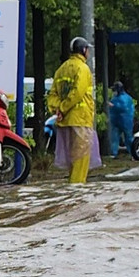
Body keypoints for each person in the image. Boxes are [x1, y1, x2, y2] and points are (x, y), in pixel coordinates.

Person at [52, 37, 98, 183]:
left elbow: (52, 94)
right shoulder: (83, 69)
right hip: (80, 119)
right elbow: (78, 93)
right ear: (83, 50)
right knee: (81, 158)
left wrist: (57, 109)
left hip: (65, 121)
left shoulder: (61, 69)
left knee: (72, 157)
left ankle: (72, 187)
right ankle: (77, 192)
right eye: (87, 50)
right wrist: (64, 108)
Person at [106, 81, 136, 159]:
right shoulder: (117, 97)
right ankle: (113, 153)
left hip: (125, 121)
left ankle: (133, 153)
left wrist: (113, 106)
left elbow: (124, 108)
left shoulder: (125, 98)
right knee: (114, 137)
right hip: (117, 120)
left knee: (128, 138)